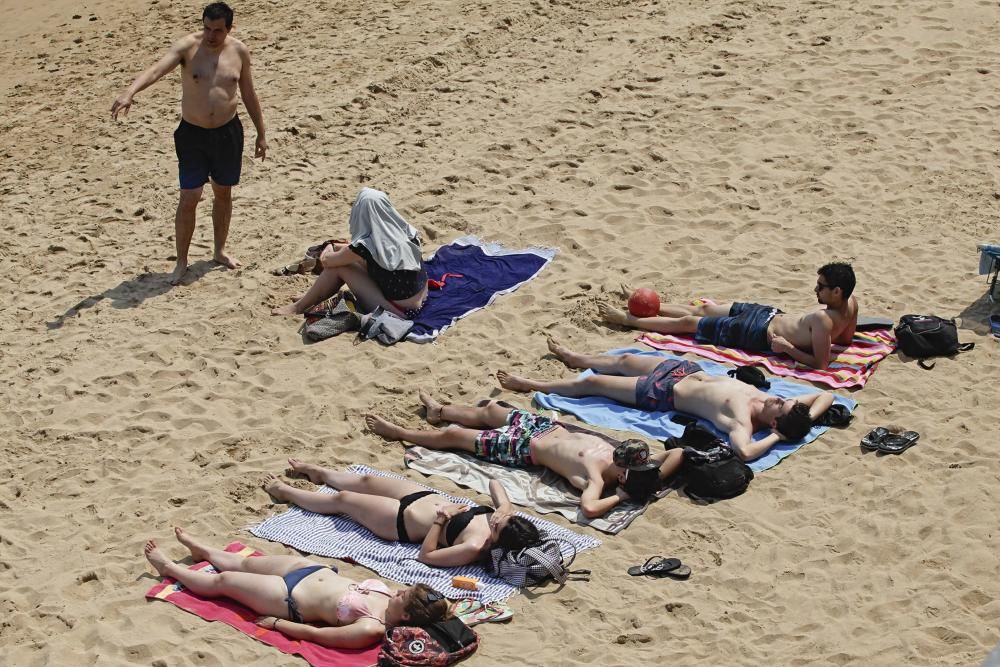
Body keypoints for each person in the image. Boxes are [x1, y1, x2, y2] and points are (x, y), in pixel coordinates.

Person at [111, 2, 266, 285]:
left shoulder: (239, 51)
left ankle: (219, 251)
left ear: (228, 29)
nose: (210, 35)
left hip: (228, 133)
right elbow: (156, 70)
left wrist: (261, 132)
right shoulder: (187, 48)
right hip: (192, 135)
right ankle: (181, 262)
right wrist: (129, 92)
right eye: (206, 28)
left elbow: (248, 93)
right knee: (189, 198)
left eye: (217, 31)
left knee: (223, 193)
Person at [495, 338, 836, 462]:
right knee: (624, 361)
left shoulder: (743, 420)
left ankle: (531, 383)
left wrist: (778, 438)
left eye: (782, 405)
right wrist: (800, 421)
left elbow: (744, 453)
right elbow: (827, 394)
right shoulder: (767, 400)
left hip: (663, 394)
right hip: (684, 369)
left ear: (774, 423)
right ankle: (577, 357)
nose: (779, 397)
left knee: (597, 384)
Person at [365, 391, 684, 519]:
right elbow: (679, 453)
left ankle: (400, 433)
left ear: (624, 473)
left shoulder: (598, 480)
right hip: (544, 427)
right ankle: (440, 410)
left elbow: (588, 508)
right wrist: (655, 478)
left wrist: (623, 497)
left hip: (524, 449)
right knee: (491, 410)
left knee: (455, 437)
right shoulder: (640, 463)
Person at [143, 527, 446, 649]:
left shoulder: (372, 627)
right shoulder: (391, 596)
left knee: (224, 582)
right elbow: (437, 608)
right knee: (244, 563)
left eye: (405, 596)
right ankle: (206, 553)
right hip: (306, 570)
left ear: (405, 616)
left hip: (287, 598)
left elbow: (320, 635)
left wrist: (277, 624)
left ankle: (168, 568)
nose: (400, 590)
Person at [262, 459, 541, 567]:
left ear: (499, 538)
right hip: (422, 496)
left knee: (344, 500)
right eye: (504, 518)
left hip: (400, 521)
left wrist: (441, 520)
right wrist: (504, 507)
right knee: (366, 481)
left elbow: (427, 556)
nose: (497, 520)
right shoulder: (503, 518)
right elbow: (494, 483)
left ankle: (284, 492)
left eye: (499, 524)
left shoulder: (473, 547)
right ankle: (320, 473)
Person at [599, 263, 859, 370]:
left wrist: (789, 348)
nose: (815, 290)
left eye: (821, 287)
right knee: (703, 309)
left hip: (756, 333)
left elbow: (820, 364)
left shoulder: (823, 320)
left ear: (837, 291)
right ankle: (649, 304)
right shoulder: (851, 304)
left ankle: (627, 319)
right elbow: (845, 341)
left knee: (690, 323)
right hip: (769, 313)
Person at [272, 188, 428, 317]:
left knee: (340, 267)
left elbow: (327, 261)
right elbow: (363, 252)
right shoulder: (404, 230)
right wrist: (340, 247)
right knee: (352, 259)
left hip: (399, 311)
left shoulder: (366, 246)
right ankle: (311, 296)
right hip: (421, 297)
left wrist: (329, 247)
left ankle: (298, 307)